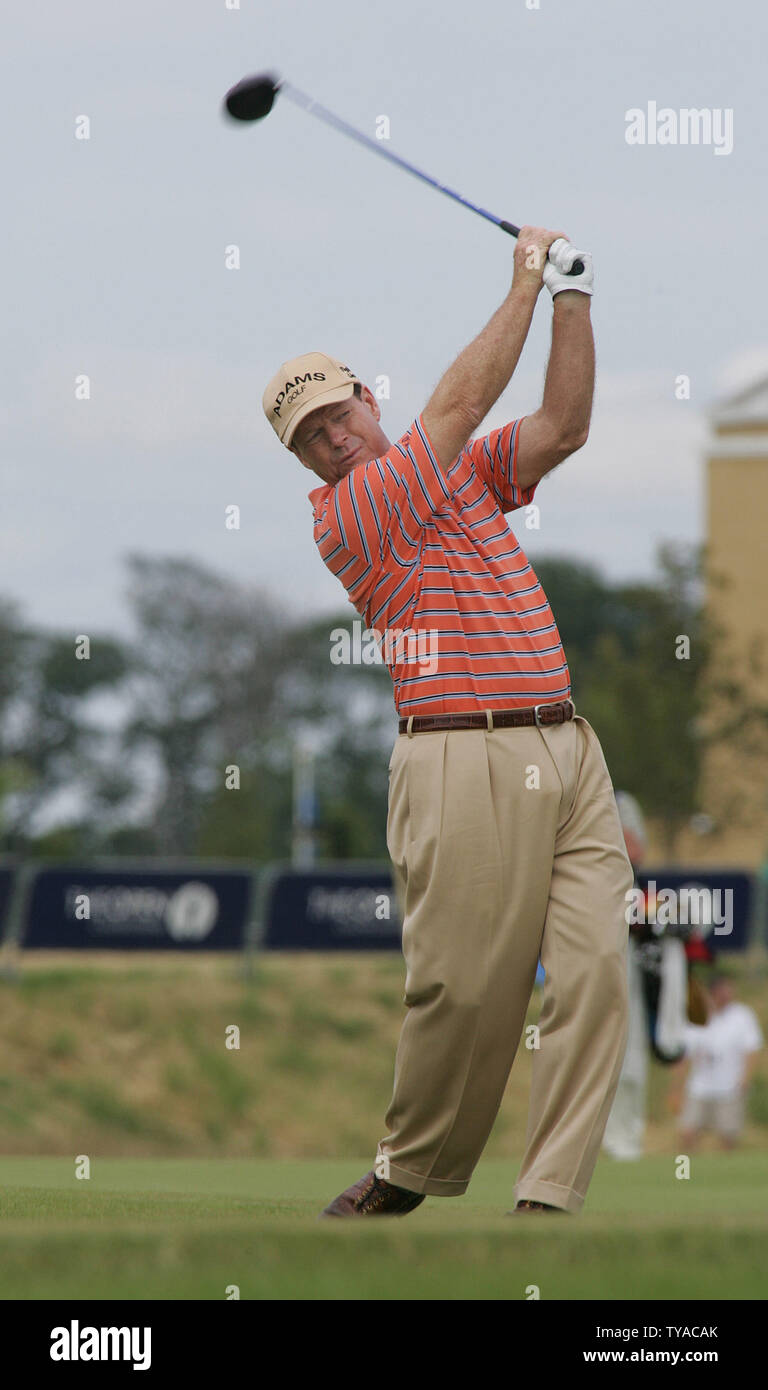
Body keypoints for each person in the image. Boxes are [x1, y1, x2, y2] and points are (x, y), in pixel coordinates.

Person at [262, 228, 633, 1216]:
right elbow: (462, 404)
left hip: (568, 744)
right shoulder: (352, 516)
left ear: (365, 400)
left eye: (337, 416)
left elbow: (561, 425)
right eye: (311, 440)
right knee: (462, 992)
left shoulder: (460, 476)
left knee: (598, 973)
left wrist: (573, 301)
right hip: (457, 754)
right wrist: (524, 276)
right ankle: (408, 1169)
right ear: (304, 462)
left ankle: (548, 1196)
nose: (333, 441)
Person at [603, 791, 690, 1161]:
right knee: (608, 1061)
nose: (633, 844)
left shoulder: (642, 889)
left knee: (632, 1063)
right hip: (604, 974)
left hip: (631, 980)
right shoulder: (604, 880)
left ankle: (626, 1140)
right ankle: (608, 1139)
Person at [673, 973, 764, 1150]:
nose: (728, 994)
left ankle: (725, 1174)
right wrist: (677, 1087)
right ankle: (686, 1173)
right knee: (688, 1132)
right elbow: (684, 1055)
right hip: (699, 1086)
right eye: (723, 990)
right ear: (712, 992)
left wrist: (745, 1078)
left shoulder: (742, 1015)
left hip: (730, 1087)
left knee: (728, 1135)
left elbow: (753, 1049)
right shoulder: (697, 1016)